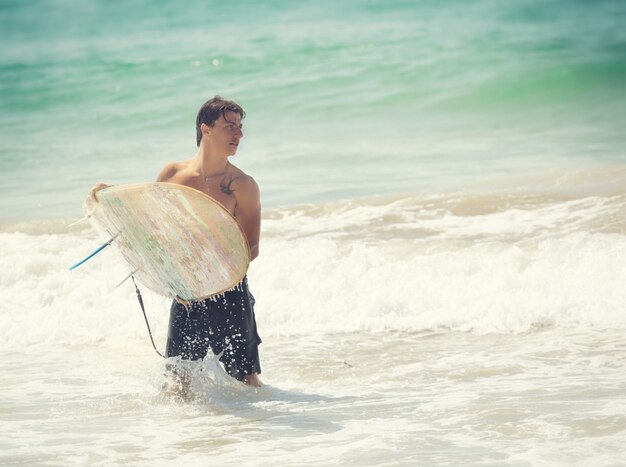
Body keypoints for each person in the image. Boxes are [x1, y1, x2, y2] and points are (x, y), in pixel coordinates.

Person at [90, 96, 262, 393]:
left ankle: (260, 431)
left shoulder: (242, 185)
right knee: (176, 383)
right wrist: (111, 196)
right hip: (187, 293)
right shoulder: (173, 175)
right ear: (205, 129)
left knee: (246, 381)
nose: (239, 134)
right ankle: (178, 435)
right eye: (230, 126)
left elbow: (251, 247)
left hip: (229, 292)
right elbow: (150, 228)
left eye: (240, 127)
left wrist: (210, 274)